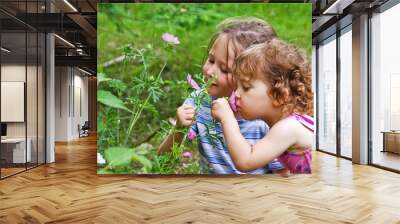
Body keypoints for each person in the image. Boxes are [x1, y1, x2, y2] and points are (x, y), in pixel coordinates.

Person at [158, 17, 283, 174]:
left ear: (255, 78)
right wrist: (179, 129)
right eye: (211, 60)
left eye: (224, 70)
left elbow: (282, 174)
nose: (210, 72)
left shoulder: (264, 119)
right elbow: (163, 162)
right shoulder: (199, 103)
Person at [211, 39, 314, 175]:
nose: (236, 94)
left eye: (246, 88)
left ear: (279, 97)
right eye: (237, 87)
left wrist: (227, 119)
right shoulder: (288, 124)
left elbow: (245, 161)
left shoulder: (288, 128)